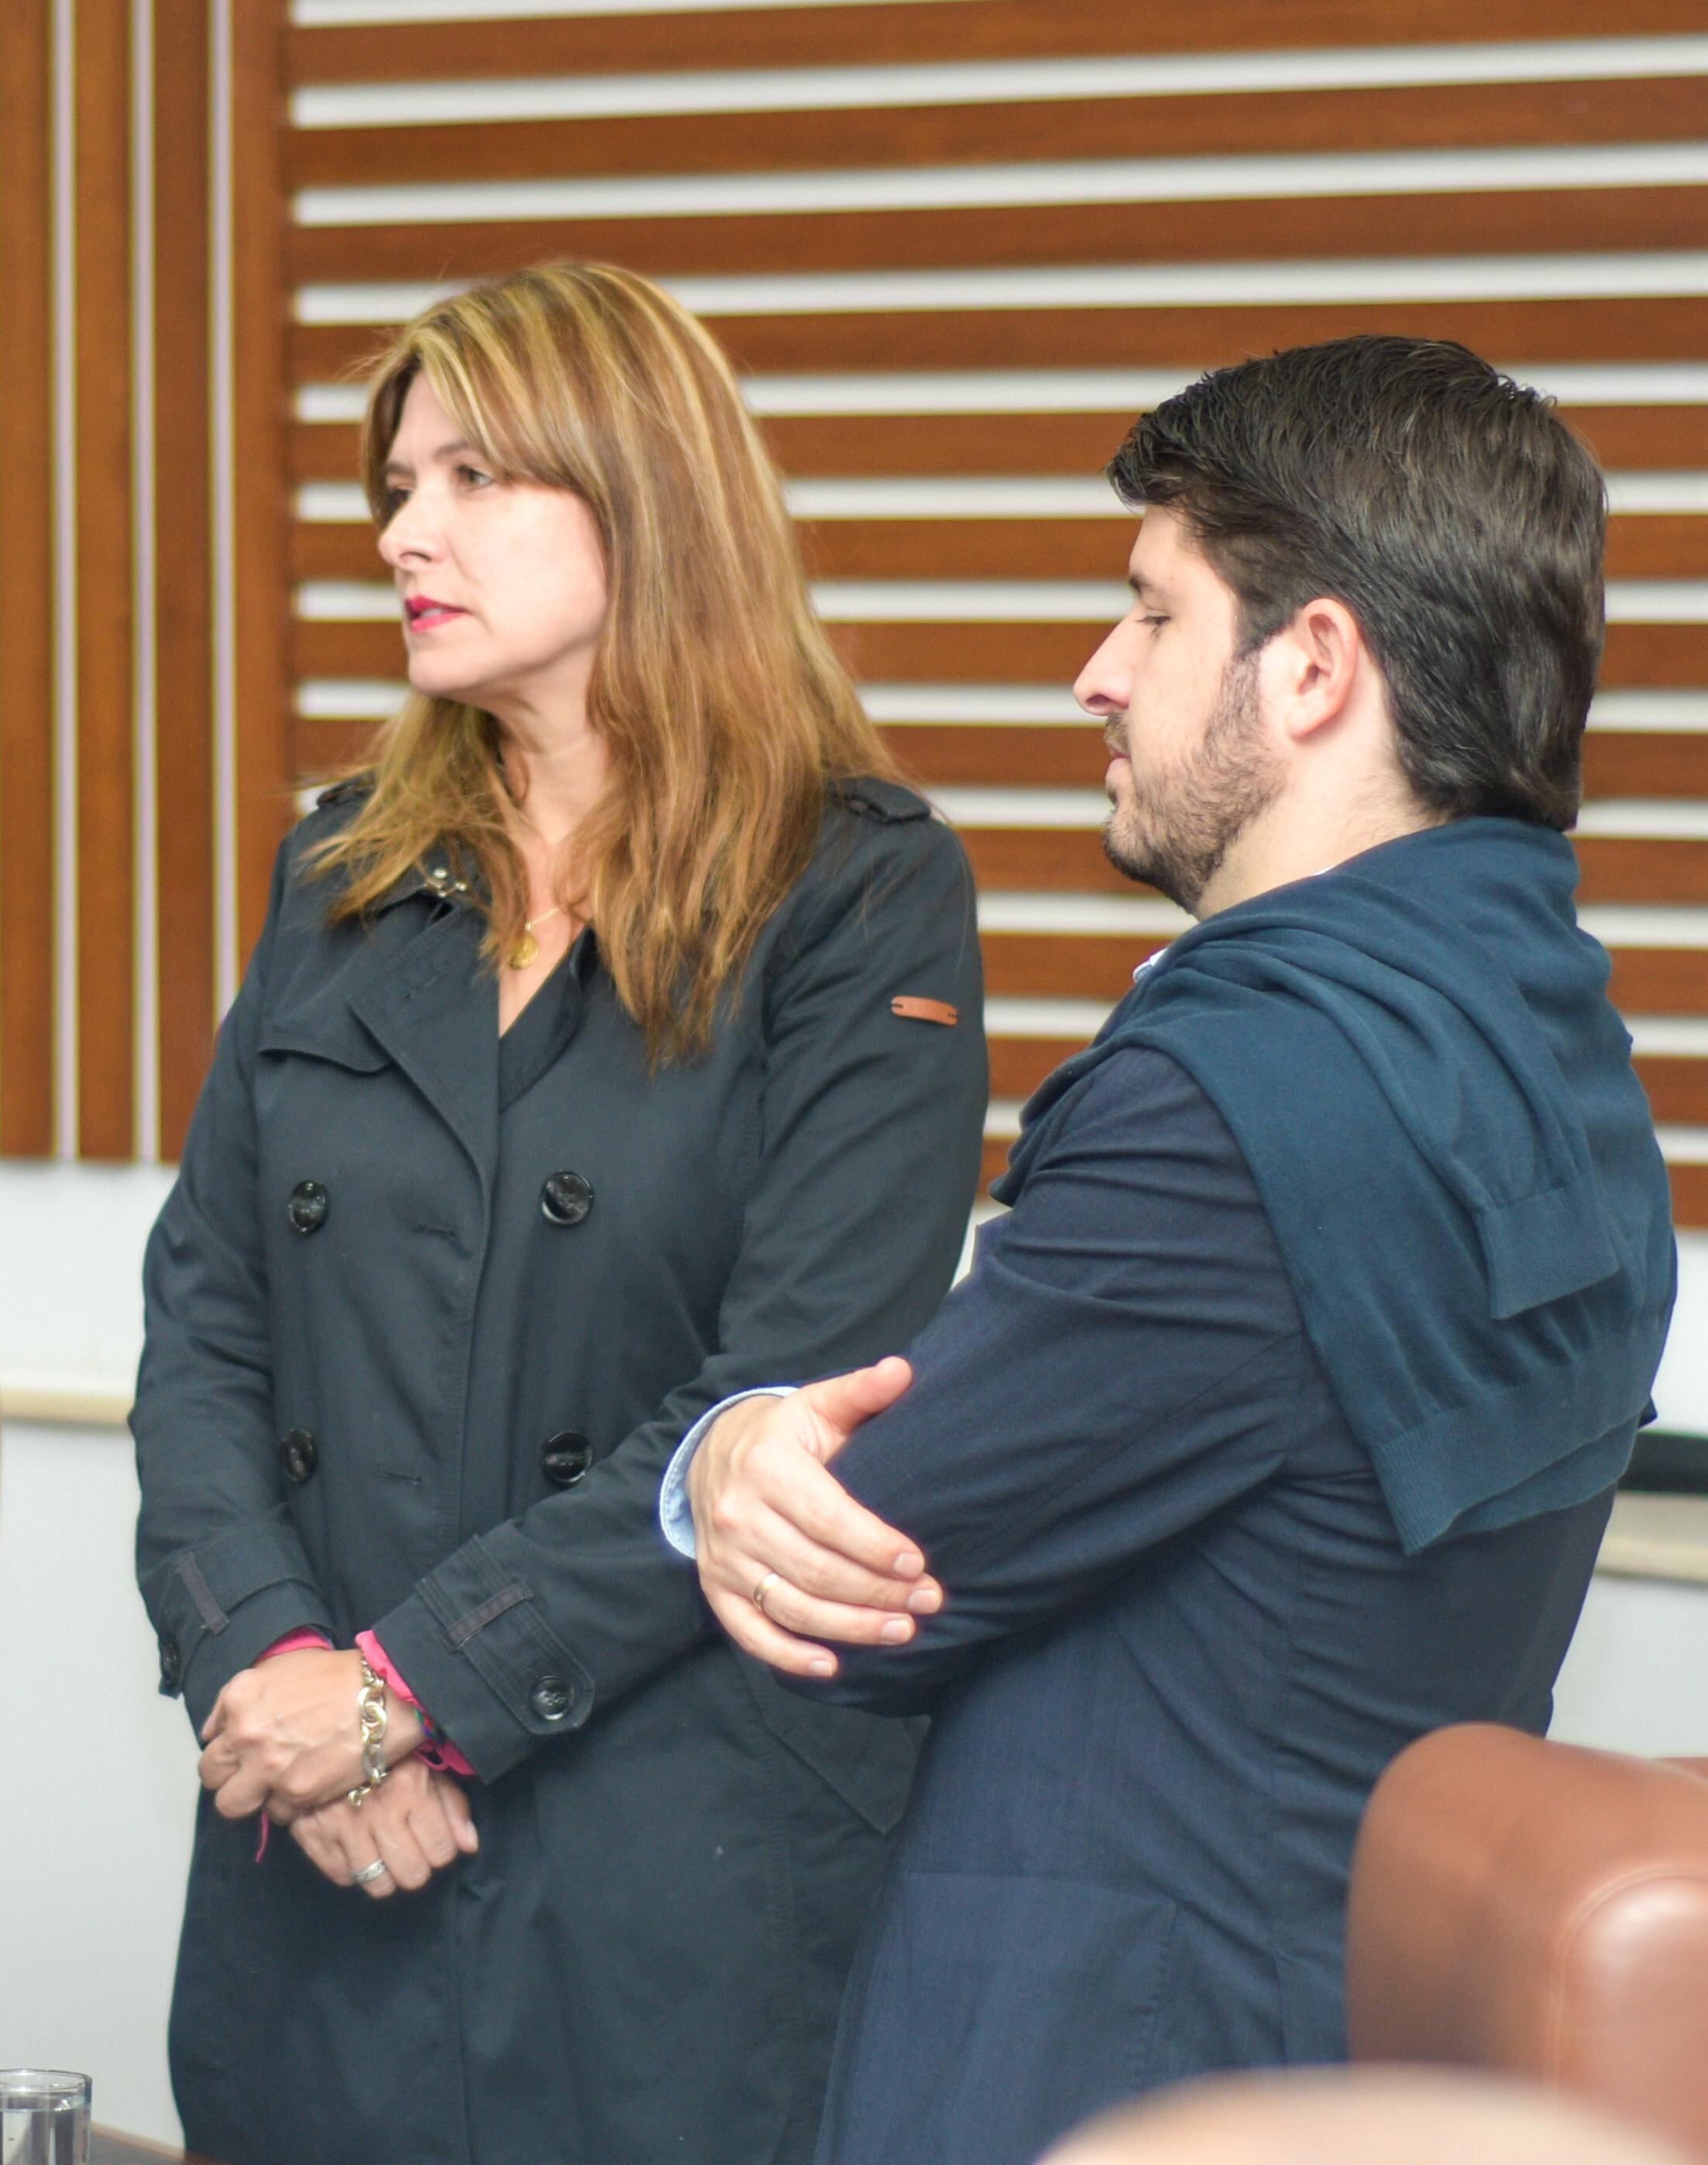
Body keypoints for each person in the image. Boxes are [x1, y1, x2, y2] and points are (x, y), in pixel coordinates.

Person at [666, 337, 1674, 2165]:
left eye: (1149, 610)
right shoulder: (1561, 1056)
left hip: (1101, 2070)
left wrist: (723, 1452)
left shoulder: (1232, 1101)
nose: (1097, 673)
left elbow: (861, 1580)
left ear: (1310, 666)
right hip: (1381, 2056)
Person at [133, 263, 989, 2165]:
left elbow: (781, 1400)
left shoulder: (857, 897)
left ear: (644, 496)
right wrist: (272, 1670)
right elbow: (203, 1319)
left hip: (662, 1885)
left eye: (470, 477)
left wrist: (402, 1695)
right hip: (326, 1871)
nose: (401, 530)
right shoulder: (340, 867)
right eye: (393, 482)